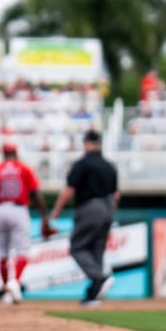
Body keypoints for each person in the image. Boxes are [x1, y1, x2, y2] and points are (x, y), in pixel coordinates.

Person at [45, 129, 120, 307]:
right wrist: (109, 212)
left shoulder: (82, 164)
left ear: (86, 143)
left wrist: (56, 210)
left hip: (90, 207)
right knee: (97, 251)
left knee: (77, 247)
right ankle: (93, 294)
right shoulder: (109, 165)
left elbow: (69, 189)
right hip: (107, 207)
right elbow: (116, 195)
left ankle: (99, 278)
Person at [0, 143, 43, 304]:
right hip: (19, 209)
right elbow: (36, 192)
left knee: (2, 252)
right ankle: (14, 282)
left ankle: (6, 291)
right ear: (16, 153)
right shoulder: (24, 168)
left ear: (3, 154)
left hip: (0, 209)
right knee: (23, 250)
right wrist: (45, 215)